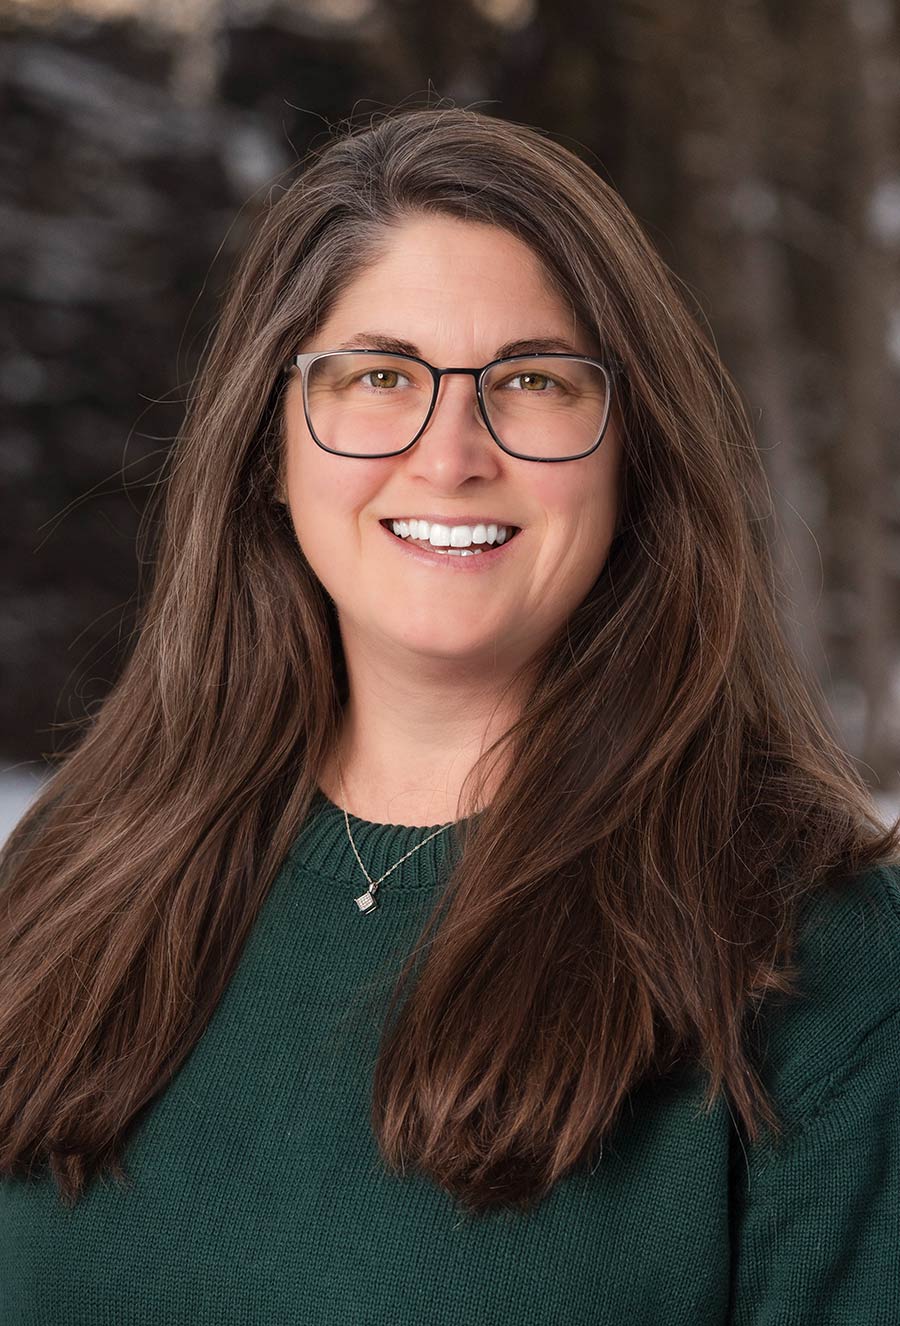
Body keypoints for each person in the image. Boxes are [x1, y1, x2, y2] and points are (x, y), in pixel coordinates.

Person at [0, 106, 898, 1326]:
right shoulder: (74, 876)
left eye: (530, 380)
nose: (450, 451)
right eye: (379, 376)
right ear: (269, 440)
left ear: (633, 447)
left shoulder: (809, 946)